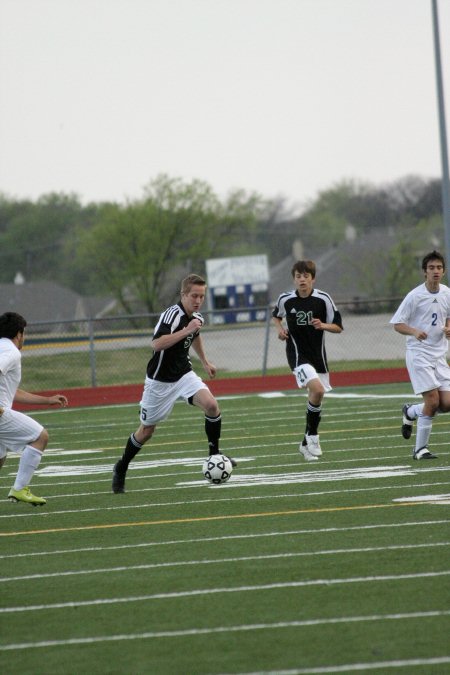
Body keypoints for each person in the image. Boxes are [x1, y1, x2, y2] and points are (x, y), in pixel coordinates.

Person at [112, 273, 235, 493]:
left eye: (202, 296)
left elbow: (195, 336)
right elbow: (157, 344)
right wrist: (186, 330)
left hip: (184, 374)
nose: (198, 300)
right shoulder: (172, 315)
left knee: (212, 406)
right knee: (146, 431)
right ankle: (121, 467)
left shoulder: (196, 317)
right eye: (194, 296)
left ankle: (214, 455)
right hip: (159, 382)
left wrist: (205, 362)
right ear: (183, 294)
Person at [272, 260, 343, 461]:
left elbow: (338, 326)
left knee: (316, 396)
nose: (302, 279)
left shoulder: (323, 299)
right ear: (294, 279)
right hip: (297, 355)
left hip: (318, 357)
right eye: (298, 276)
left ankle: (305, 443)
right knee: (317, 389)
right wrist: (280, 331)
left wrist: (323, 325)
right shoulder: (286, 299)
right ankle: (313, 436)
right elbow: (276, 316)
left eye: (306, 276)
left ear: (313, 278)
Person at [0, 312, 68, 505]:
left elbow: (12, 391)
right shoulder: (11, 352)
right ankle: (19, 489)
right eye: (24, 334)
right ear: (19, 334)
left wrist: (47, 400)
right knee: (40, 436)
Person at [390, 250, 450, 460]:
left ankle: (411, 412)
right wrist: (414, 331)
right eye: (431, 268)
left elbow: (448, 317)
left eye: (439, 268)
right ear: (424, 272)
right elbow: (397, 324)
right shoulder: (414, 296)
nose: (435, 271)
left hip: (439, 356)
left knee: (447, 403)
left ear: (443, 271)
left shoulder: (447, 293)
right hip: (419, 355)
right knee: (432, 401)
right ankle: (419, 450)